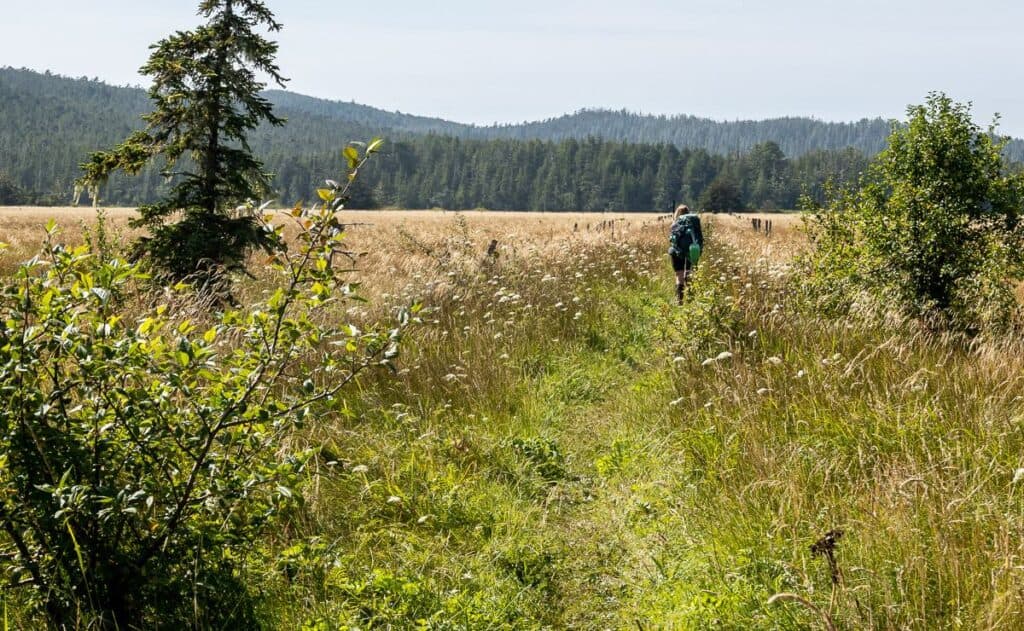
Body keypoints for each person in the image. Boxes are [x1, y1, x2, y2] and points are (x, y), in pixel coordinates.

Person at [668, 204, 704, 304]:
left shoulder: (675, 223)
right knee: (689, 273)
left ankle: (679, 300)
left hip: (676, 252)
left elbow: (672, 239)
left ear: (677, 213)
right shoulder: (693, 223)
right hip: (690, 249)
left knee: (679, 275)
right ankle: (691, 299)